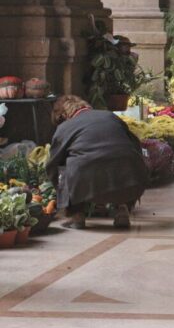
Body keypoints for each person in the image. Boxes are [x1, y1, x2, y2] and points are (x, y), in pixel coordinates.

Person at [46, 95, 149, 229]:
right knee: (124, 160)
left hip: (87, 181)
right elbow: (135, 146)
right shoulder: (110, 116)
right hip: (131, 183)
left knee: (62, 169)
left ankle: (76, 214)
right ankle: (122, 208)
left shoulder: (65, 127)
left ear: (63, 116)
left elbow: (53, 164)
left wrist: (63, 197)